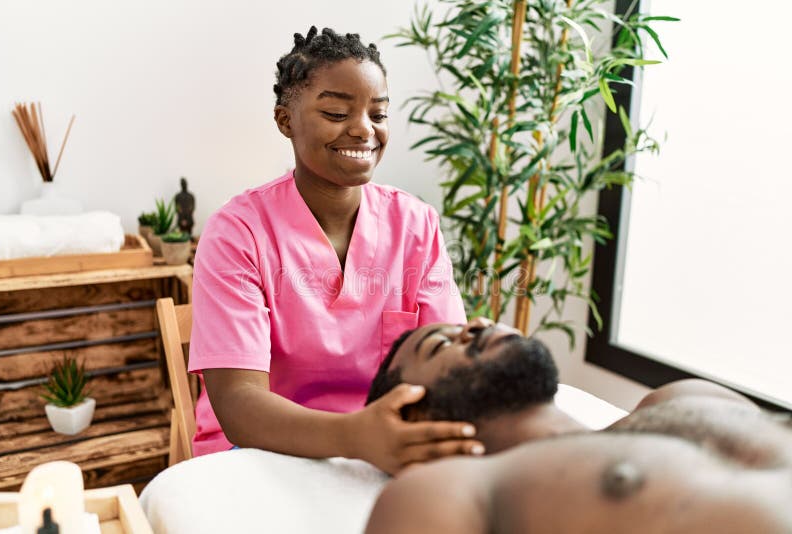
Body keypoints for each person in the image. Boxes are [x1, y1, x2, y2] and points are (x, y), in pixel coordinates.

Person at [188, 26, 483, 474]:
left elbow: (449, 364)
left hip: (385, 444)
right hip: (258, 453)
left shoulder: (416, 225)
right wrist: (357, 437)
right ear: (286, 120)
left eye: (378, 115)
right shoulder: (238, 233)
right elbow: (238, 406)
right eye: (336, 112)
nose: (363, 129)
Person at [363, 318, 792, 533]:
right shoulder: (453, 489)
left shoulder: (683, 397)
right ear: (413, 415)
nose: (477, 325)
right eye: (439, 345)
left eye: (471, 320)